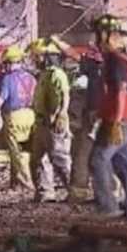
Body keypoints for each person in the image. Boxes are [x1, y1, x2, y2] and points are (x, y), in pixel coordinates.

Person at [90, 14, 127, 223]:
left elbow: (121, 91)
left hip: (120, 117)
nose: (96, 41)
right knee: (125, 165)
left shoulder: (116, 60)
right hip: (125, 115)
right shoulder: (116, 59)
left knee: (98, 159)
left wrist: (115, 121)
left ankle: (108, 207)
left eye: (98, 35)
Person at [29, 38, 73, 203]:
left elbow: (60, 97)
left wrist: (56, 116)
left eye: (38, 56)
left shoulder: (56, 74)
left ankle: (73, 191)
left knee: (60, 159)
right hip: (41, 122)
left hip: (52, 123)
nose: (35, 60)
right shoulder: (44, 75)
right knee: (38, 160)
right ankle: (45, 192)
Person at [0, 44, 37, 191]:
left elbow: (0, 100)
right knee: (26, 150)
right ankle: (16, 183)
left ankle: (26, 182)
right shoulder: (31, 78)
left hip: (14, 116)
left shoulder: (7, 79)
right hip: (30, 115)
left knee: (15, 152)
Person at [68, 41, 105, 203]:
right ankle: (106, 194)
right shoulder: (117, 66)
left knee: (83, 154)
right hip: (106, 116)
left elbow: (73, 54)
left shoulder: (96, 70)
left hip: (95, 116)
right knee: (104, 156)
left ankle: (79, 193)